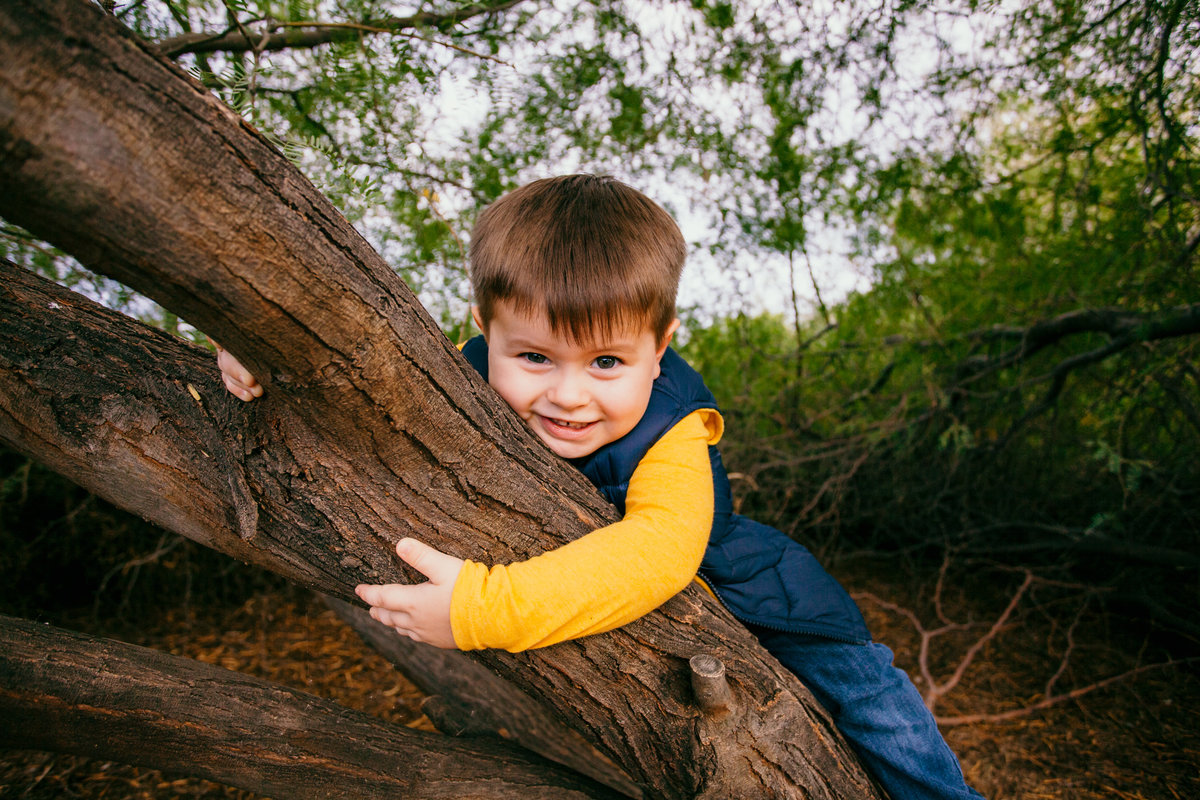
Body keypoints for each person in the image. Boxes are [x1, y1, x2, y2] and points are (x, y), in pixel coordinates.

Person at [216, 174, 984, 800]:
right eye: (536, 359)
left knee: (872, 697)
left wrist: (486, 606)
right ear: (485, 327)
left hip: (748, 592)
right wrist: (271, 357)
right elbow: (362, 375)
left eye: (607, 364)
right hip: (580, 597)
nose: (569, 395)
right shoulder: (468, 363)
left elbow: (659, 554)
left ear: (661, 347)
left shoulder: (675, 430)